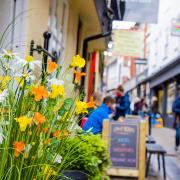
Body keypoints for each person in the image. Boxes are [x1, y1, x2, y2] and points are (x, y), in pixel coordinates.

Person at [172, 86, 180, 151]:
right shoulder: (176, 100)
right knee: (178, 134)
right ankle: (177, 145)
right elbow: (174, 108)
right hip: (178, 119)